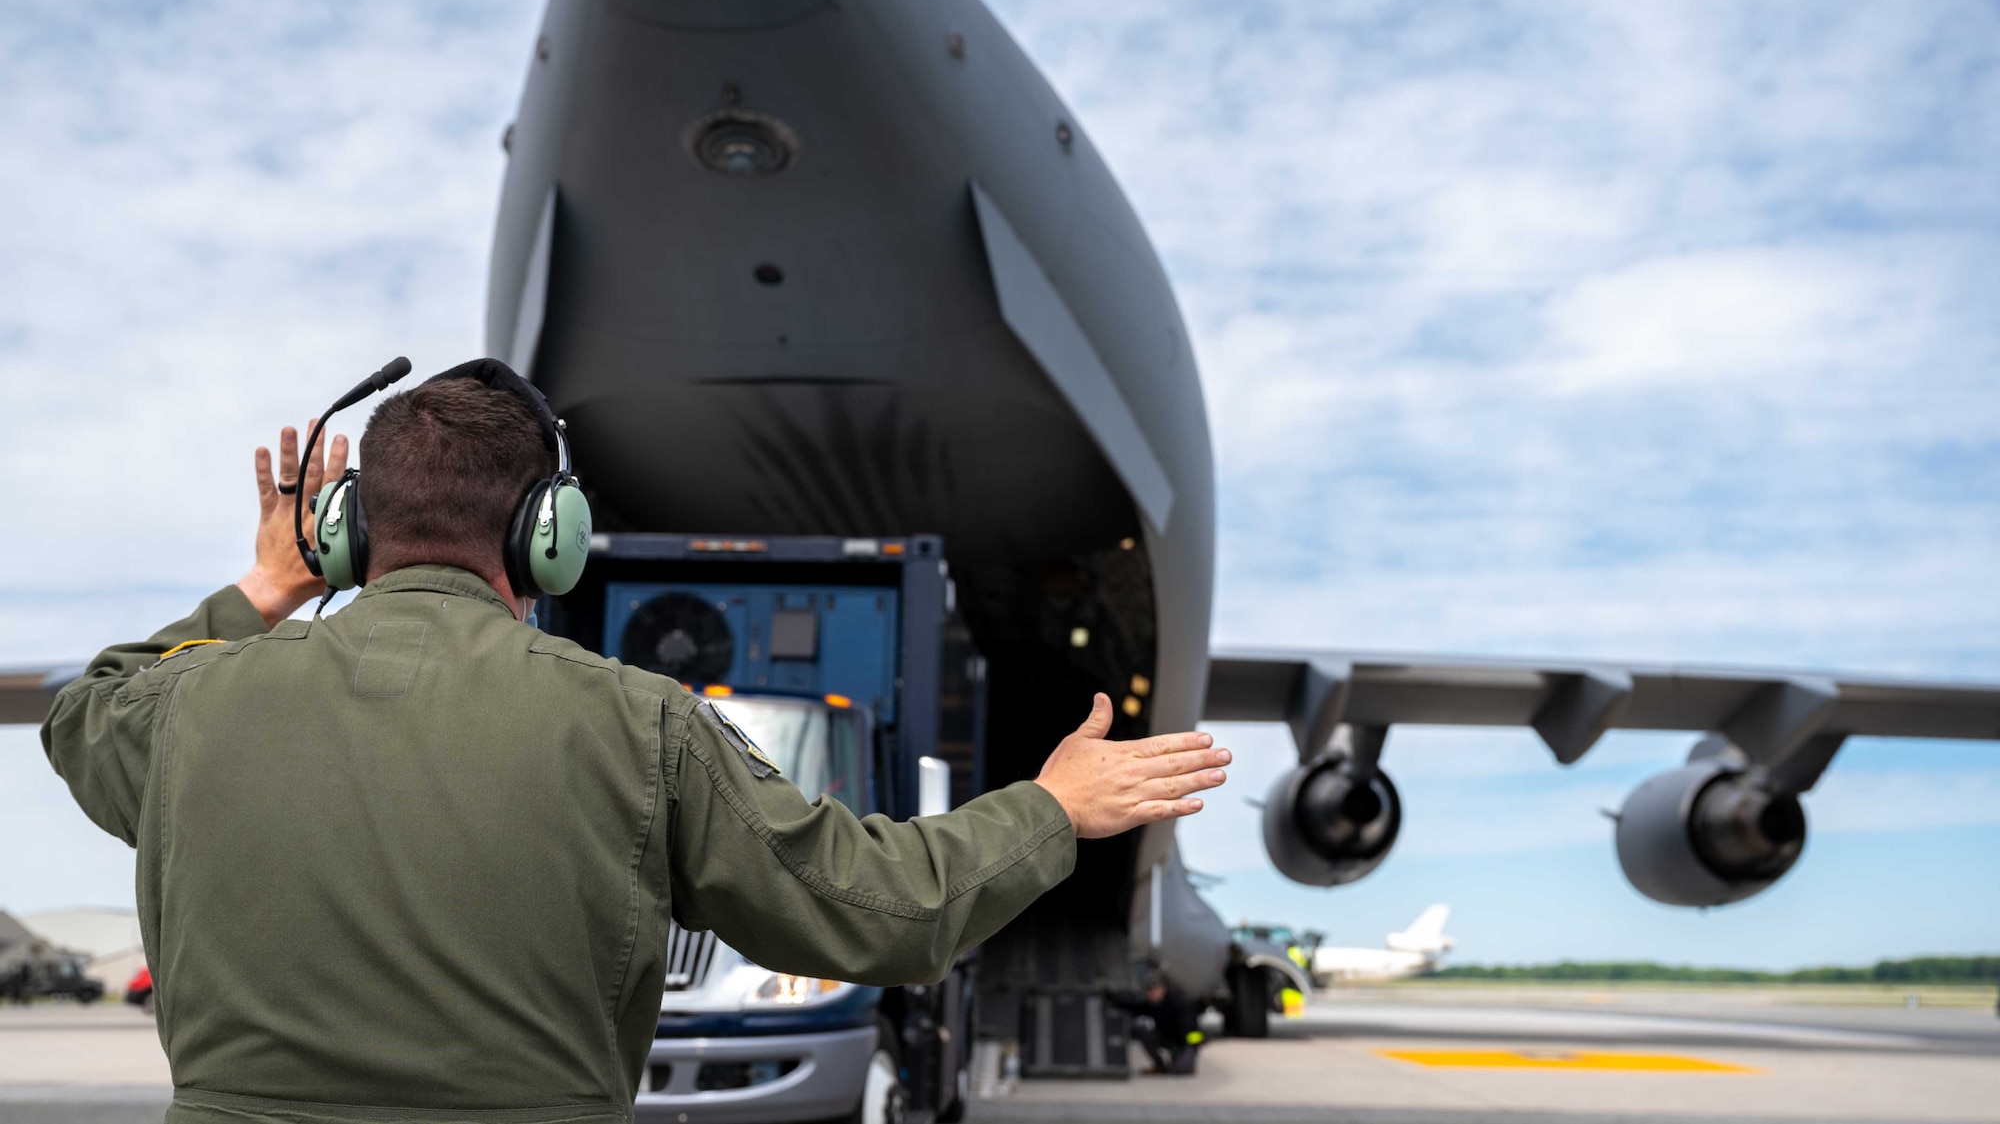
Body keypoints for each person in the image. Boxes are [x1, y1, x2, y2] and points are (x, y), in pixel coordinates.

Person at [41, 361, 1231, 1124]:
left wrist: (263, 582)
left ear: (350, 533)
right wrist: (1050, 806)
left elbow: (82, 708)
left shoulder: (184, 709)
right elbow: (877, 910)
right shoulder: (639, 722)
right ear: (546, 533)